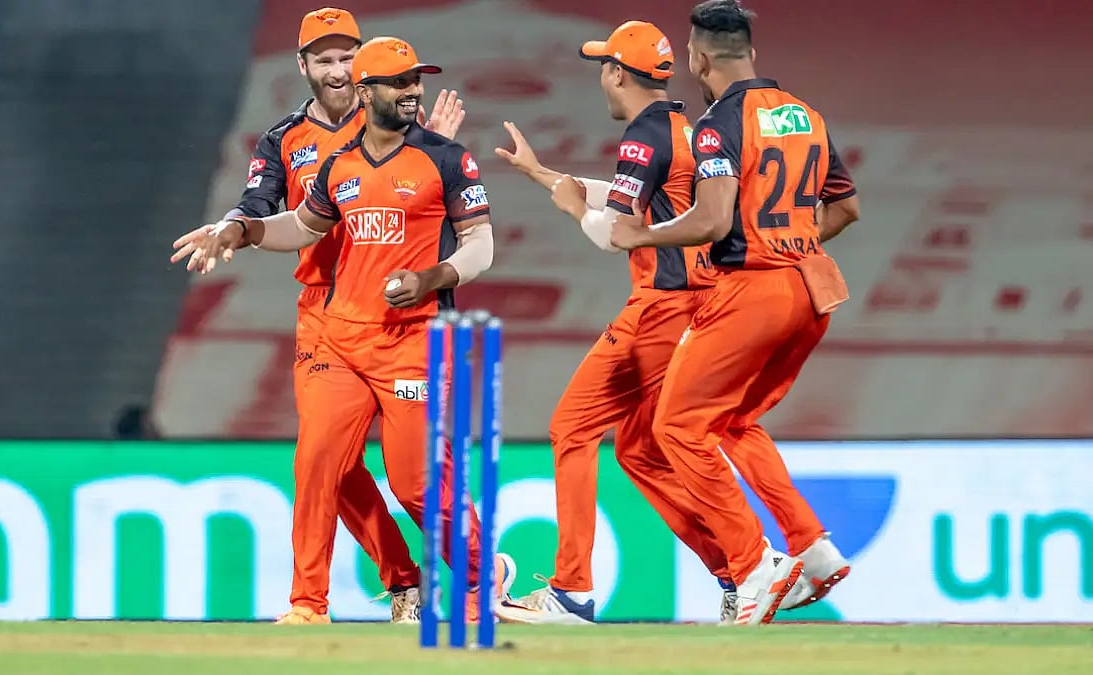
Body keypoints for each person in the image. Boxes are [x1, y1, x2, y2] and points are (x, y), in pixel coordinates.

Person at [174, 36, 512, 625]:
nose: (412, 92)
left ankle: (486, 578)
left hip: (414, 339)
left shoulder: (447, 158)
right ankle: (308, 604)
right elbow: (301, 227)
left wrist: (436, 274)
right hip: (338, 335)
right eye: (399, 83)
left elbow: (481, 242)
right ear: (367, 90)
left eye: (416, 81)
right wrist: (241, 232)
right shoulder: (338, 165)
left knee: (415, 484)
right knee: (319, 460)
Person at [609, 0, 861, 625]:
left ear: (696, 57)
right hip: (813, 290)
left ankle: (753, 570)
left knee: (676, 429)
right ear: (750, 52)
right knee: (735, 420)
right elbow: (846, 209)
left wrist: (638, 236)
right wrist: (790, 239)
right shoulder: (807, 114)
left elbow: (713, 220)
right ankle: (814, 549)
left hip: (753, 291)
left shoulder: (719, 123)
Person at [491, 20, 732, 625]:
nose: (602, 74)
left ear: (617, 74)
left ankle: (572, 590)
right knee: (638, 450)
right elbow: (629, 197)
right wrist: (544, 176)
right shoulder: (680, 125)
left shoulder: (643, 137)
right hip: (695, 305)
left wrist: (573, 209)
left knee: (571, 428)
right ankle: (740, 571)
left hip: (659, 306)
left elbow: (615, 232)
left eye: (604, 65)